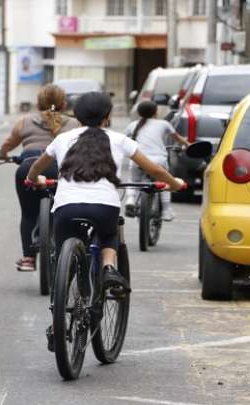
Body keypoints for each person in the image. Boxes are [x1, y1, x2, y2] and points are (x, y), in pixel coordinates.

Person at [26, 92, 185, 294]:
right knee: (109, 234)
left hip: (66, 208)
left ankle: (63, 294)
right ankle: (108, 267)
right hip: (104, 207)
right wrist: (174, 184)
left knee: (63, 253)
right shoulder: (120, 139)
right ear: (107, 116)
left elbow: (36, 167)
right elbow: (155, 170)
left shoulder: (62, 139)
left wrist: (34, 179)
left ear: (76, 115)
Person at [0, 84, 79, 272]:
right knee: (62, 210)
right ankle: (65, 254)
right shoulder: (74, 124)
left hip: (28, 167)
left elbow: (8, 145)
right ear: (64, 104)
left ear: (38, 103)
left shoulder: (24, 121)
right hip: (61, 169)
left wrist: (1, 154)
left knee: (29, 213)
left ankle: (28, 259)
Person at [123, 100, 189, 221]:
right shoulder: (163, 124)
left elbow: (123, 140)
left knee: (133, 180)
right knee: (165, 181)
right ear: (156, 112)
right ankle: (165, 211)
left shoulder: (133, 125)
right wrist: (187, 144)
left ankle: (130, 200)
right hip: (158, 160)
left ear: (138, 113)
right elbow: (178, 139)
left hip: (138, 159)